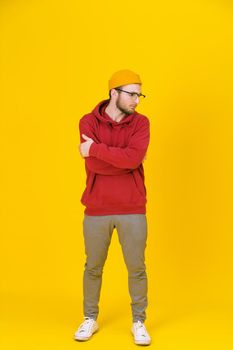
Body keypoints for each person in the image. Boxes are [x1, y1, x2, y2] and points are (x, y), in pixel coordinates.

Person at [74, 69, 151, 345]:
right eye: (132, 94)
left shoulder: (141, 123)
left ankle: (139, 321)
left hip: (132, 207)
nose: (137, 101)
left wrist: (96, 149)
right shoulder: (87, 121)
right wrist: (114, 157)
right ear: (113, 93)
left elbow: (133, 159)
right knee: (93, 267)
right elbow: (93, 165)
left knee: (136, 268)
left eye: (139, 94)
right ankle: (90, 317)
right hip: (96, 207)